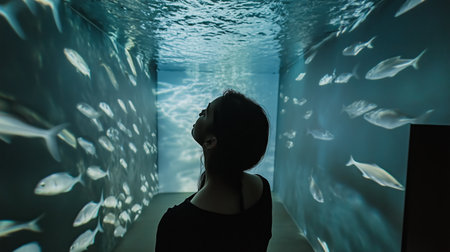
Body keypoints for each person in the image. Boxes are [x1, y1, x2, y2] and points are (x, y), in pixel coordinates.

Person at [155, 90, 272, 252]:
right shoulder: (263, 190)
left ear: (210, 142)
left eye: (206, 113)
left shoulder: (175, 223)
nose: (200, 112)